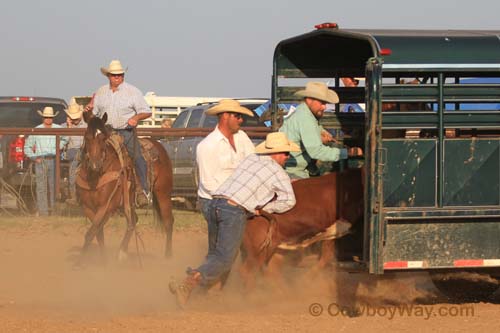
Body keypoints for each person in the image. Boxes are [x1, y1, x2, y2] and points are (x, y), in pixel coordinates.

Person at [169, 132, 300, 308]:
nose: (287, 157)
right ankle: (188, 283)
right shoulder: (279, 173)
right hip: (233, 210)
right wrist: (263, 209)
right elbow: (289, 201)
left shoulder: (251, 159)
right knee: (224, 258)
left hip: (215, 203)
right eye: (286, 153)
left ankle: (205, 291)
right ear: (277, 153)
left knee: (215, 254)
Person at [84, 60, 152, 206]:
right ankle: (82, 189)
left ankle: (143, 190)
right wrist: (89, 111)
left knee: (137, 156)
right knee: (86, 153)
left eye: (120, 75)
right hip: (105, 131)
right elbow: (95, 113)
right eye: (114, 75)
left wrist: (136, 117)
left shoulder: (133, 91)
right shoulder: (101, 91)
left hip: (125, 131)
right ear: (108, 76)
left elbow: (146, 111)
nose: (117, 77)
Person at [196, 99, 255, 261]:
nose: (241, 120)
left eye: (241, 116)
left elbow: (253, 163)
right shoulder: (207, 145)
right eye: (237, 116)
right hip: (214, 201)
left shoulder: (242, 137)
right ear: (225, 116)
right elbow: (209, 183)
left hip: (239, 199)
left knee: (230, 248)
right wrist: (233, 199)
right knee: (221, 250)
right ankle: (204, 278)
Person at [279, 81, 362, 179]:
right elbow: (316, 151)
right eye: (321, 103)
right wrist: (346, 153)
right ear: (309, 100)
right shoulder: (305, 118)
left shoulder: (304, 112)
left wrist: (322, 132)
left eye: (325, 103)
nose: (324, 107)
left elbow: (315, 127)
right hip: (294, 172)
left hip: (296, 167)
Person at [24, 107, 68, 216]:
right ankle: (43, 212)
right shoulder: (37, 129)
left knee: (54, 186)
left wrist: (59, 147)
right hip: (41, 160)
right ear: (43, 118)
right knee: (41, 187)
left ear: (52, 118)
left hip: (53, 160)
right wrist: (35, 158)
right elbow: (27, 147)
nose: (48, 119)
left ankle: (53, 211)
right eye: (46, 117)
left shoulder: (58, 128)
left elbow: (65, 138)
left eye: (50, 117)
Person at [61, 103, 86, 205]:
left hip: (84, 151)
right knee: (73, 170)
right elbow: (63, 142)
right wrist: (69, 127)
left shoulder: (86, 125)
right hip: (73, 151)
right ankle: (74, 195)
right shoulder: (64, 126)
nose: (75, 119)